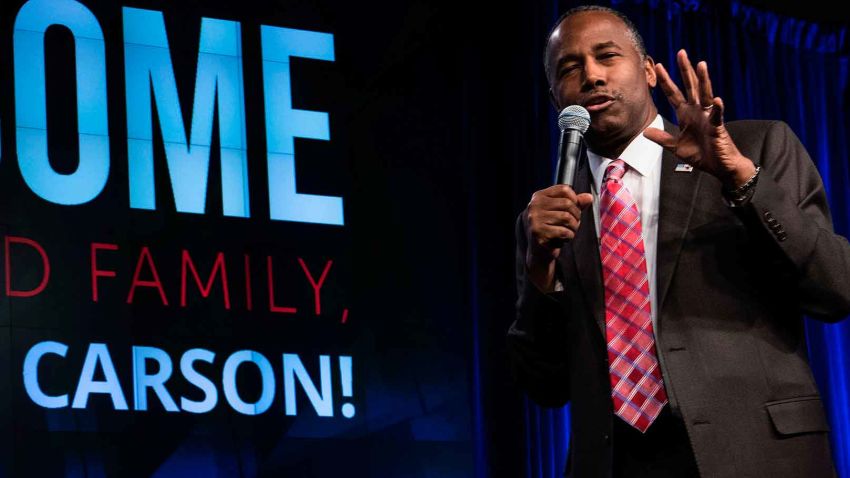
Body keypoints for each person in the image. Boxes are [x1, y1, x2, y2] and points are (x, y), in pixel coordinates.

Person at [507, 5, 850, 477]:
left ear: (648, 71)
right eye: (569, 68)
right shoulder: (548, 217)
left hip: (754, 452)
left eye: (607, 56)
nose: (591, 75)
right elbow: (543, 385)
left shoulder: (755, 148)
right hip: (616, 463)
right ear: (555, 99)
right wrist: (542, 275)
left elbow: (836, 289)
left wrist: (742, 181)